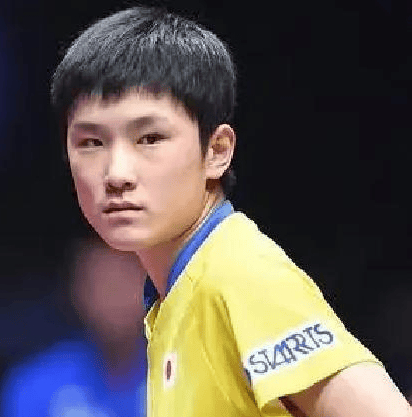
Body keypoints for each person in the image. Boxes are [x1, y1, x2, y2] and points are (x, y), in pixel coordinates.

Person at [50, 6, 412, 417]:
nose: (116, 173)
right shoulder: (178, 294)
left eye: (149, 138)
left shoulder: (237, 275)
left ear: (217, 151)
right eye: (91, 143)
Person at [0, 238, 147, 417]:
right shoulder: (34, 383)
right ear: (77, 293)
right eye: (102, 284)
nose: (114, 299)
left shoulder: (171, 373)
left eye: (124, 282)